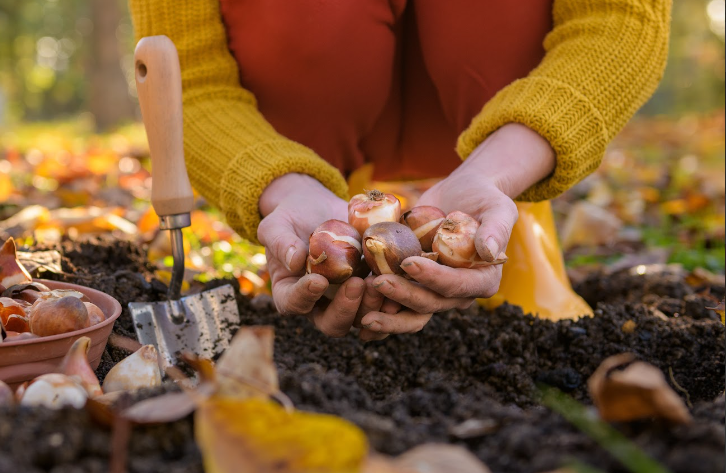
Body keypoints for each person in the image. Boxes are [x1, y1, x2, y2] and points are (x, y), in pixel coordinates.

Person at [127, 0, 670, 339]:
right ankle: (327, 209)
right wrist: (281, 185)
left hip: (486, 122)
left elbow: (620, 22)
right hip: (313, 116)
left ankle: (512, 223)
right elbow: (192, 77)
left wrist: (497, 173)